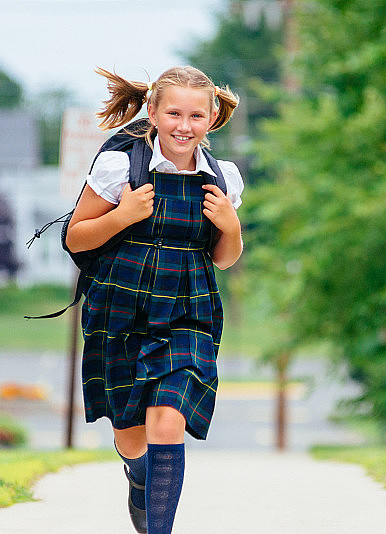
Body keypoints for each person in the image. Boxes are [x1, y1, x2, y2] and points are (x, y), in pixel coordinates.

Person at [65, 66, 244, 533]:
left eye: (196, 116)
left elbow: (225, 258)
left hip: (189, 310)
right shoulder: (121, 166)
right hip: (119, 309)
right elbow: (77, 238)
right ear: (153, 112)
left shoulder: (223, 178)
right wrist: (123, 215)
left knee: (167, 421)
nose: (184, 126)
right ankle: (138, 474)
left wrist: (231, 224)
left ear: (212, 119)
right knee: (130, 435)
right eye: (174, 113)